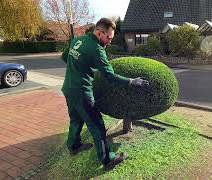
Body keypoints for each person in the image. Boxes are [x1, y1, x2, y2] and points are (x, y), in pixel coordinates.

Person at [61, 18, 149, 169]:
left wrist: (81, 67)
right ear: (99, 32)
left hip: (68, 89)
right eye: (108, 37)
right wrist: (132, 82)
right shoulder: (96, 49)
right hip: (82, 93)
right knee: (97, 126)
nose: (109, 41)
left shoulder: (78, 39)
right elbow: (110, 76)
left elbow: (65, 57)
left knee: (75, 119)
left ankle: (73, 146)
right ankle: (107, 159)